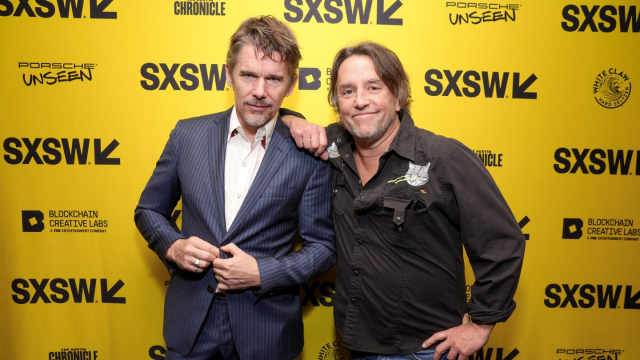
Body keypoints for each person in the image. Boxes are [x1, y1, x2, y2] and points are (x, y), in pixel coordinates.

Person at [284, 42, 525, 360]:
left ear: (398, 97)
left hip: (427, 351)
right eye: (347, 91)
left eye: (374, 87)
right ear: (336, 103)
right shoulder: (331, 150)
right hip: (356, 346)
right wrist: (292, 120)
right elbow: (272, 116)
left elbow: (503, 243)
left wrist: (481, 324)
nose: (360, 101)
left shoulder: (444, 158)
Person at [135, 16, 336, 360]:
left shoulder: (309, 153)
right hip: (191, 328)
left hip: (268, 332)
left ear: (291, 85)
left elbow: (324, 247)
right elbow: (149, 210)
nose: (260, 91)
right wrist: (174, 246)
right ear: (228, 74)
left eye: (274, 79)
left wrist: (263, 272)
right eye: (248, 75)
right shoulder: (187, 135)